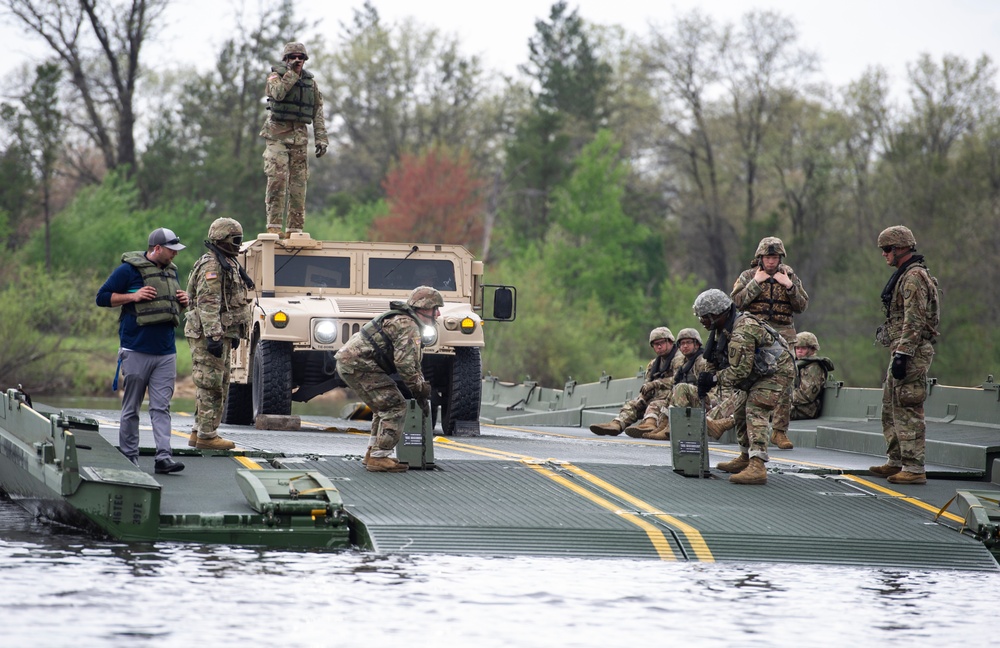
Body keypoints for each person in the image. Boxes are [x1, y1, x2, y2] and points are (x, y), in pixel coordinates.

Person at [96, 228, 190, 474]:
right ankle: (129, 456)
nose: (174, 255)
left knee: (161, 407)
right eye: (171, 250)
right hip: (135, 349)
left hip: (166, 351)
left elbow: (168, 309)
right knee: (132, 407)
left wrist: (183, 302)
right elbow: (102, 297)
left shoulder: (171, 272)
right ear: (156, 248)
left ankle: (163, 458)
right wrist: (133, 296)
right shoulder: (128, 271)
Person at [692, 288, 795, 485]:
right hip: (759, 372)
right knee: (739, 410)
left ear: (717, 314)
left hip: (776, 371)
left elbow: (741, 372)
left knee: (755, 408)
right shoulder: (721, 330)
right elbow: (714, 359)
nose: (702, 322)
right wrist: (705, 377)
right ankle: (746, 457)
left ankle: (758, 465)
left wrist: (713, 379)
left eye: (704, 317)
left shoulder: (743, 330)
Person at [335, 286, 441, 472]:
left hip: (355, 364)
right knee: (395, 406)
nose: (438, 314)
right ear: (424, 308)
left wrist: (420, 387)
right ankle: (379, 457)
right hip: (359, 366)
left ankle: (373, 453)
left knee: (382, 406)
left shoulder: (404, 321)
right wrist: (419, 391)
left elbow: (412, 363)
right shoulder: (409, 326)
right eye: (435, 309)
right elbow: (405, 365)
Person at [870, 225, 939, 485]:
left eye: (887, 249)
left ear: (901, 249)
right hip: (901, 348)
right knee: (891, 405)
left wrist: (903, 354)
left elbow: (915, 319)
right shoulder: (905, 275)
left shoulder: (913, 278)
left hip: (911, 351)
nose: (884, 254)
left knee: (908, 405)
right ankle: (896, 460)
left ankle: (913, 467)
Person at [731, 236, 808, 450]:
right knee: (747, 379)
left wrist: (790, 286)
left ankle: (780, 431)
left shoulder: (789, 275)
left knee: (785, 384)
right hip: (756, 334)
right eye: (768, 257)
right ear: (760, 258)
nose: (772, 262)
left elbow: (802, 305)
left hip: (784, 335)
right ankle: (748, 433)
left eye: (775, 257)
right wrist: (756, 283)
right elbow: (736, 302)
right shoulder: (748, 276)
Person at [185, 218, 253, 450]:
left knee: (219, 382)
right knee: (211, 383)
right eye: (235, 240)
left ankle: (200, 430)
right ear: (223, 239)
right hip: (209, 335)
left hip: (222, 333)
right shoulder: (212, 266)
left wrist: (231, 333)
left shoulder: (226, 262)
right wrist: (214, 335)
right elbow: (208, 303)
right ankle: (207, 435)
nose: (238, 244)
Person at [261, 41, 329, 236]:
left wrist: (321, 139)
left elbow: (317, 111)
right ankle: (274, 226)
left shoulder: (310, 83)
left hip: (299, 139)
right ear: (286, 59)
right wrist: (290, 74)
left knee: (299, 183)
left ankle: (295, 228)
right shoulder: (275, 77)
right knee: (277, 179)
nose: (297, 60)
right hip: (277, 136)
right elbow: (278, 94)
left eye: (301, 57)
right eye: (293, 57)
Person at [589, 327, 678, 437]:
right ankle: (617, 424)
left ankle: (650, 423)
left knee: (654, 404)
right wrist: (642, 398)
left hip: (672, 398)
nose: (659, 346)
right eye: (655, 344)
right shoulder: (654, 364)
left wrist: (656, 384)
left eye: (661, 343)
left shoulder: (679, 358)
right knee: (634, 404)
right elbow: (647, 384)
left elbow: (679, 380)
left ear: (670, 341)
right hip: (657, 397)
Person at [628, 327, 709, 440]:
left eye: (689, 342)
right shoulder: (685, 362)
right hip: (693, 398)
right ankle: (661, 427)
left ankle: (670, 428)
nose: (685, 346)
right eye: (682, 343)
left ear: (697, 344)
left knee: (680, 388)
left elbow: (712, 386)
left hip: (706, 400)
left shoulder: (702, 361)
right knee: (672, 394)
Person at [790, 331, 835, 420]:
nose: (799, 351)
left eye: (803, 348)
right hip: (794, 405)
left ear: (812, 349)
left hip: (805, 410)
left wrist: (783, 397)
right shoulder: (797, 364)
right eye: (797, 348)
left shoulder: (814, 368)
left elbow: (806, 395)